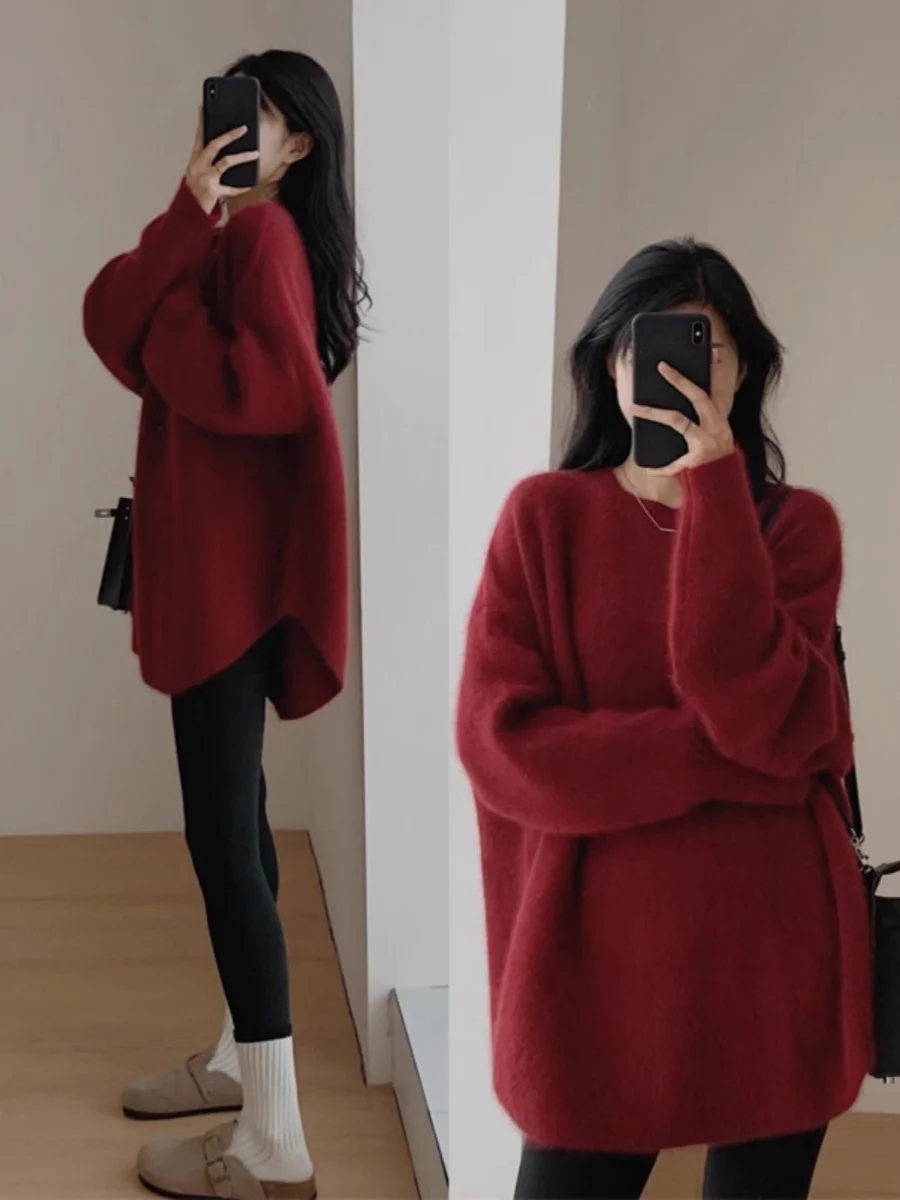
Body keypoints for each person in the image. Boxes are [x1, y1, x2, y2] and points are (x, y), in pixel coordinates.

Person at [455, 238, 872, 1200]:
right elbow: (505, 749)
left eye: (705, 349)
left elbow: (761, 710)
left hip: (772, 960)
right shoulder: (544, 519)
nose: (678, 371)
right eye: (647, 347)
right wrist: (731, 763)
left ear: (743, 371)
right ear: (610, 364)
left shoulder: (795, 527)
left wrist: (715, 489)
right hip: (591, 977)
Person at [83, 49, 367, 1200]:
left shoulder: (262, 242)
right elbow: (107, 316)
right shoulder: (225, 234)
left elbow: (265, 387)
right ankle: (236, 1062)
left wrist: (163, 324)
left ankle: (275, 1145)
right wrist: (184, 211)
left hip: (225, 591)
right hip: (225, 578)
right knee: (240, 822)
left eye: (262, 115)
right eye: (230, 110)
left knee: (222, 845)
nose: (238, 129)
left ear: (298, 145)